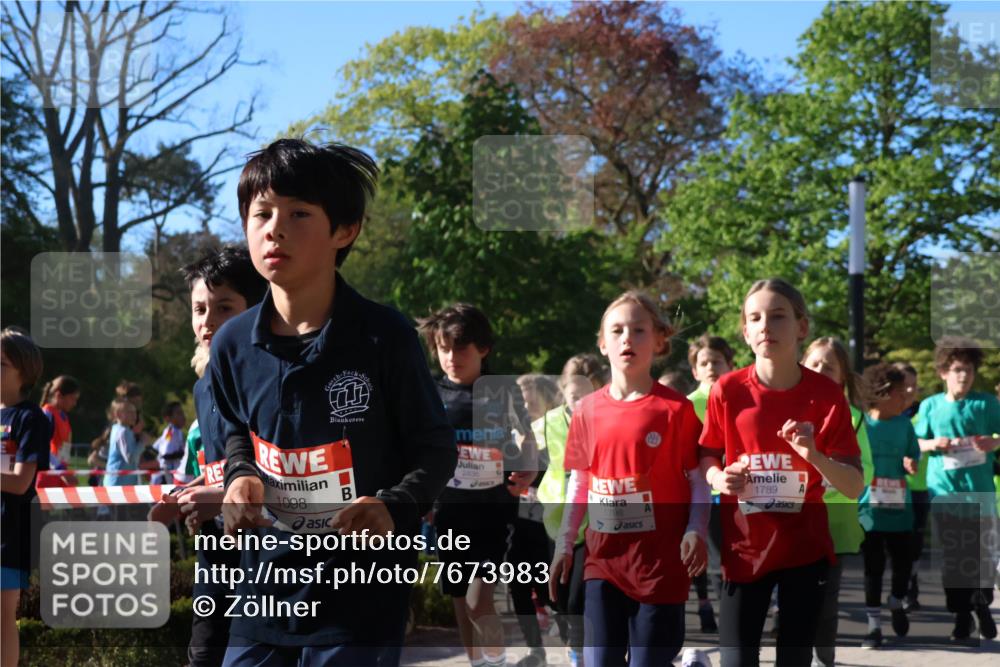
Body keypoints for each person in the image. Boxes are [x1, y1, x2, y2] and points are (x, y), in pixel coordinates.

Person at [214, 138, 458, 666]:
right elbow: (235, 428)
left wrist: (394, 506)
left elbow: (435, 448)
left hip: (358, 603)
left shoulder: (385, 336)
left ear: (345, 231)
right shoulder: (230, 344)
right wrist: (240, 475)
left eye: (299, 213)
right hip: (260, 595)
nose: (274, 228)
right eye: (261, 213)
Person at [699, 279, 863, 667]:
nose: (765, 326)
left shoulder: (826, 395)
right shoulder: (727, 390)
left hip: (804, 549)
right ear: (745, 331)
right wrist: (719, 479)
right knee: (736, 660)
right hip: (744, 549)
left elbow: (854, 485)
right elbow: (707, 456)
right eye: (755, 318)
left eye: (777, 316)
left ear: (801, 327)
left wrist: (814, 455)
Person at [551, 291, 710, 666]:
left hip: (660, 566)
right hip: (603, 562)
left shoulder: (675, 409)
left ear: (658, 342)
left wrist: (696, 529)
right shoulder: (587, 411)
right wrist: (564, 543)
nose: (627, 338)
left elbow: (698, 479)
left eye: (638, 330)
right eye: (617, 330)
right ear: (602, 344)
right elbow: (580, 482)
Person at [149, 244, 267, 667]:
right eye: (199, 309)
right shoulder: (202, 388)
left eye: (224, 308)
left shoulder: (267, 382)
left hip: (269, 556)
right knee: (202, 653)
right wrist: (184, 494)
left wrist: (219, 497)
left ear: (257, 308)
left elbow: (283, 471)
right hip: (216, 551)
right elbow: (222, 467)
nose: (208, 322)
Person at [418, 303, 537, 667]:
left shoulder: (503, 391)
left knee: (476, 598)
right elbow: (419, 446)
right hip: (448, 512)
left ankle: (495, 661)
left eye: (461, 348)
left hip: (493, 510)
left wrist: (528, 469)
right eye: (443, 348)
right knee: (458, 598)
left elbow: (528, 440)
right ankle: (477, 663)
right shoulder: (429, 391)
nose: (451, 357)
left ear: (483, 348)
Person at [915, 337, 999, 641]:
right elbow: (915, 443)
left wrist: (996, 441)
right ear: (943, 372)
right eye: (958, 369)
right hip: (944, 494)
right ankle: (962, 617)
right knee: (953, 561)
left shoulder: (986, 403)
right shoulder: (930, 406)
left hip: (980, 494)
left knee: (981, 559)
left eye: (970, 370)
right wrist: (932, 444)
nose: (964, 376)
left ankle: (982, 602)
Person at [801, 337, 874, 667]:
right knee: (794, 598)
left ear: (842, 377)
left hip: (836, 525)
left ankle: (823, 658)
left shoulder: (855, 417)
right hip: (793, 520)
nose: (818, 370)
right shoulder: (789, 410)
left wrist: (831, 478)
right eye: (813, 363)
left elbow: (866, 470)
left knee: (827, 601)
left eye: (827, 367)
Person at [536, 353, 607, 667]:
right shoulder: (549, 423)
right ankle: (572, 642)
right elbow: (523, 450)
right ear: (563, 391)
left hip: (595, 520)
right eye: (575, 396)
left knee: (580, 597)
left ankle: (581, 655)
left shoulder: (607, 421)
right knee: (561, 598)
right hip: (556, 520)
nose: (581, 404)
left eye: (588, 396)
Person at [856, 363, 920, 649]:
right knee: (873, 567)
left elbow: (913, 456)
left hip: (899, 507)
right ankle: (873, 626)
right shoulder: (861, 424)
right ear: (881, 394)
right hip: (868, 508)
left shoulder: (904, 424)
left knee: (904, 561)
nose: (904, 398)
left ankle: (896, 600)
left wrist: (910, 463)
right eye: (898, 393)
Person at [1, 327, 51, 667]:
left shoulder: (31, 417)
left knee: (3, 615)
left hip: (9, 532)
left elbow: (21, 482)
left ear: (25, 372)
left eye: (2, 363)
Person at [686, 334, 736, 634]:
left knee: (734, 561)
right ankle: (707, 605)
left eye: (717, 361)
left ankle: (732, 616)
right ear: (694, 371)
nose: (710, 367)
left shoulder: (741, 398)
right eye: (703, 363)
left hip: (742, 493)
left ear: (730, 364)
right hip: (704, 493)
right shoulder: (688, 405)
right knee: (711, 559)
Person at [511, 374, 561, 667]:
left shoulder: (555, 432)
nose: (525, 408)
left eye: (530, 403)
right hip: (516, 522)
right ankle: (535, 650)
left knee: (547, 587)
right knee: (518, 585)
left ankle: (569, 634)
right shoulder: (510, 435)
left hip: (548, 523)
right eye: (521, 403)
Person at [894, 361, 928, 611]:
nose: (909, 391)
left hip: (918, 488)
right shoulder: (880, 413)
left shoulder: (922, 411)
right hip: (888, 489)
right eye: (905, 385)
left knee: (914, 544)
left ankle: (910, 589)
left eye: (914, 386)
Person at [38, 375, 81, 489]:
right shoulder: (47, 414)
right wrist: (60, 471)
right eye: (73, 398)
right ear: (58, 395)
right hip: (46, 476)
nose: (75, 403)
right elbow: (41, 446)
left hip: (58, 475)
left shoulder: (63, 416)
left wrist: (64, 471)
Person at [104, 398, 142, 487]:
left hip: (117, 481)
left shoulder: (117, 428)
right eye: (129, 412)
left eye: (135, 412)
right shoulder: (123, 432)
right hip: (119, 484)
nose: (134, 415)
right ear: (118, 414)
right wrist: (142, 443)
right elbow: (130, 458)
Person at [152, 401, 186, 485]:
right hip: (167, 476)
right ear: (168, 418)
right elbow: (166, 454)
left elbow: (155, 447)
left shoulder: (176, 431)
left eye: (182, 412)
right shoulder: (171, 431)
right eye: (178, 413)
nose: (183, 416)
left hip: (171, 473)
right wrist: (185, 453)